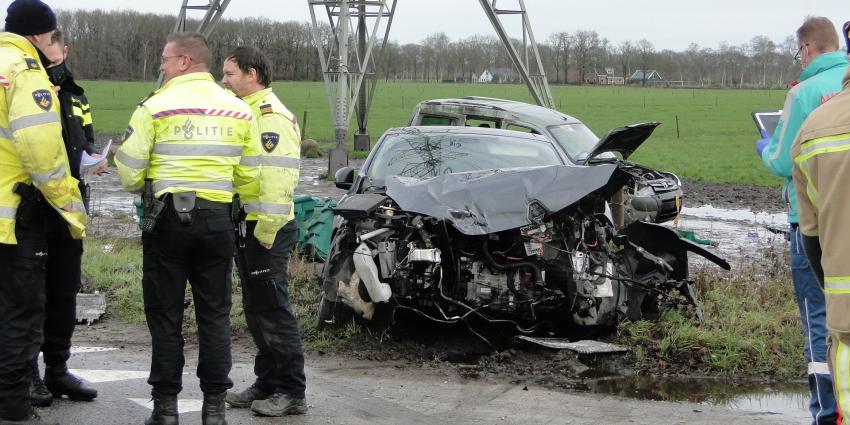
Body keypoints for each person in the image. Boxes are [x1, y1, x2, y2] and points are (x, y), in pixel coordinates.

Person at [115, 32, 260, 425]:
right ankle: (215, 410)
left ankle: (166, 409)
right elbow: (250, 177)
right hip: (218, 221)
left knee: (165, 315)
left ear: (184, 62)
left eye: (165, 59)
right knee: (215, 314)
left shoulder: (155, 106)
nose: (160, 66)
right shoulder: (239, 110)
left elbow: (129, 171)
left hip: (167, 223)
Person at [755, 16, 848, 425]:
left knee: (819, 322)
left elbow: (782, 161)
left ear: (807, 48)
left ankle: (826, 412)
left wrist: (763, 147)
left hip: (813, 222)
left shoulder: (804, 94)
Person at [0, 0, 87, 423]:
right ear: (39, 35)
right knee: (22, 310)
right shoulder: (24, 71)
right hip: (21, 211)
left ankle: (44, 375)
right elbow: (40, 152)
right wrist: (68, 201)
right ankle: (14, 403)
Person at [219, 46, 307, 417]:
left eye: (229, 74)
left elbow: (276, 180)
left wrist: (266, 232)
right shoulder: (249, 112)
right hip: (249, 224)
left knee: (273, 310)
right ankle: (267, 382)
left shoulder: (270, 118)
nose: (223, 81)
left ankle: (292, 391)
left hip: (266, 227)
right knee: (257, 310)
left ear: (252, 74)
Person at [26, 28, 101, 408]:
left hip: (70, 205)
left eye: (48, 44)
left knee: (64, 290)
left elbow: (85, 141)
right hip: (29, 206)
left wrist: (94, 159)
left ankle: (58, 369)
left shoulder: (76, 94)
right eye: (36, 44)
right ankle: (27, 375)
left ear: (63, 49)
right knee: (28, 294)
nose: (42, 51)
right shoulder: (21, 86)